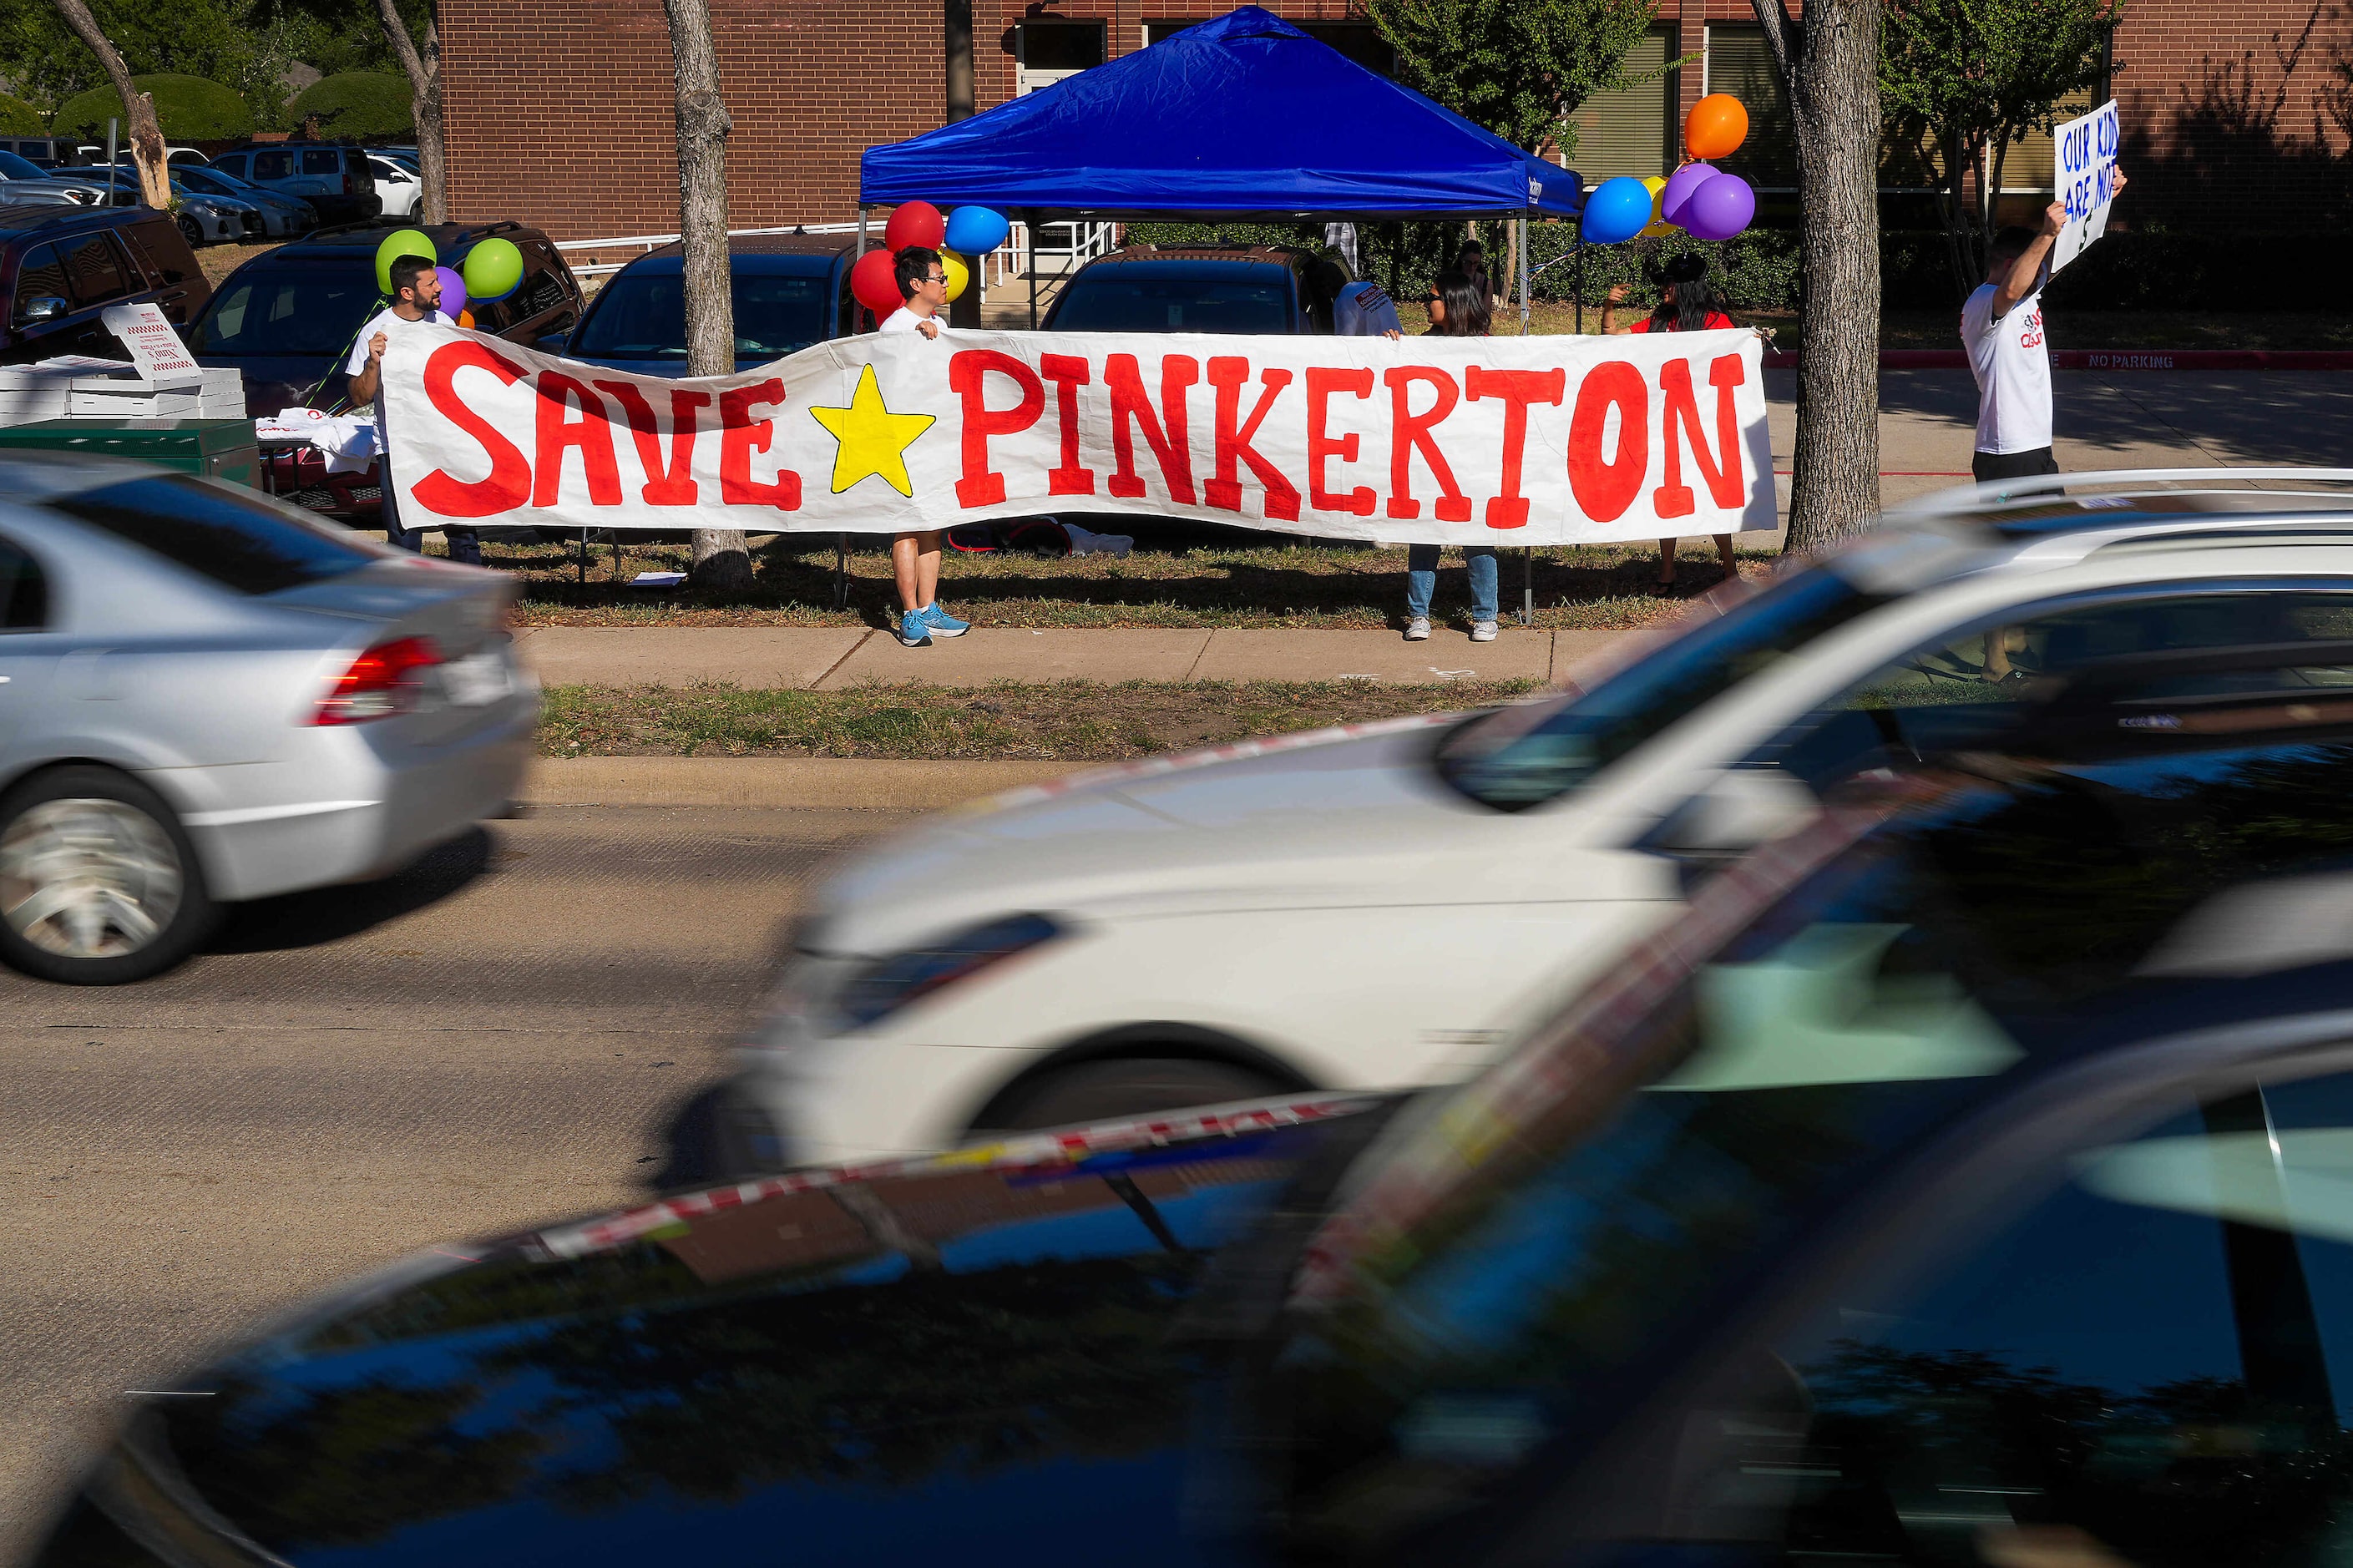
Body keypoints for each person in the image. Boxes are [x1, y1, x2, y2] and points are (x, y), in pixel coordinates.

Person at [1961, 174, 2125, 485]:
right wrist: (2046, 234)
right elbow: (2008, 292)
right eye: (2033, 268)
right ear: (2011, 265)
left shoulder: (2027, 295)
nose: (2040, 275)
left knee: (2051, 534)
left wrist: (2103, 201)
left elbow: (2065, 256)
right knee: (2010, 536)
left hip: (2036, 448)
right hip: (2005, 452)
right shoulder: (1982, 303)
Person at [1606, 253, 1740, 589]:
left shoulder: (1715, 322)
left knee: (1712, 496)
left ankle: (1730, 570)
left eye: (1669, 284)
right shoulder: (1660, 321)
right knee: (1668, 496)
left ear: (1686, 287)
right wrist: (1608, 307)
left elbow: (1734, 356)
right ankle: (1668, 572)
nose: (1664, 289)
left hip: (1703, 424)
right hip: (1665, 423)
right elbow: (1613, 337)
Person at [346, 255, 470, 563]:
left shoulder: (443, 324)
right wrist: (373, 363)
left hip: (445, 443)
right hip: (398, 447)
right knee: (404, 533)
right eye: (431, 283)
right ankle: (406, 598)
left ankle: (470, 583)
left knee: (463, 529)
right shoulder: (376, 332)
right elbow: (359, 397)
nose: (440, 287)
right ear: (407, 292)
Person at [1404, 269, 1498, 644]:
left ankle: (1486, 615)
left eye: (1434, 297)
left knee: (1478, 538)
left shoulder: (1488, 347)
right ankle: (1418, 614)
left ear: (1454, 302)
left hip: (1474, 457)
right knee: (1424, 533)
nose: (1427, 305)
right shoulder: (1423, 343)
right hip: (1430, 458)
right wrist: (1390, 348)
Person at [877, 245, 964, 647]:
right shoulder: (895, 328)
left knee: (933, 524)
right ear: (917, 284)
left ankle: (930, 607)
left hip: (935, 440)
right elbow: (886, 381)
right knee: (907, 527)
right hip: (901, 445)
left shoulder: (941, 325)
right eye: (939, 278)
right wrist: (916, 339)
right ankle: (910, 613)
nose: (945, 284)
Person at [1311, 257, 1402, 339]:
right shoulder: (1368, 285)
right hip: (1398, 338)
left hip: (1381, 347)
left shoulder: (1343, 302)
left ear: (1326, 287)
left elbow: (1345, 341)